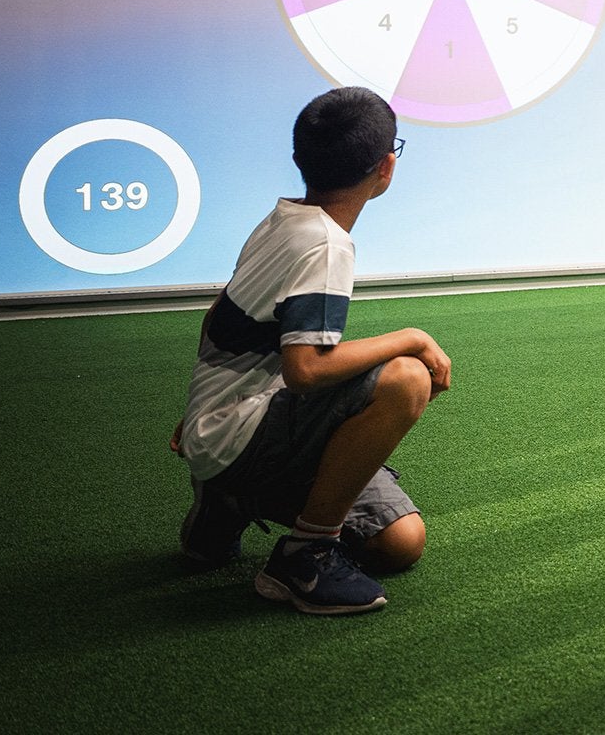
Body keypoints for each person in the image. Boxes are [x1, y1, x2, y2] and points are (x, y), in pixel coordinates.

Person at [174, 87, 451, 615]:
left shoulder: (283, 218)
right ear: (385, 168)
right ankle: (304, 556)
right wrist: (413, 338)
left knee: (400, 543)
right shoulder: (326, 244)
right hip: (242, 431)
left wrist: (201, 408)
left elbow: (218, 317)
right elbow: (305, 371)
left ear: (302, 159)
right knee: (407, 378)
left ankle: (226, 501)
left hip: (227, 428)